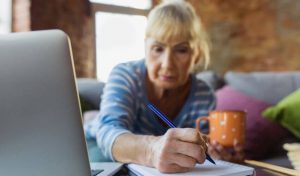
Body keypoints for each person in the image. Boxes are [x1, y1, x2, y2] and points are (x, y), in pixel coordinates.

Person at [85, 0, 243, 173]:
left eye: (181, 50)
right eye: (158, 49)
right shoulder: (126, 76)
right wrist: (151, 150)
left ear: (195, 54)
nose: (167, 64)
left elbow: (197, 155)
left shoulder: (203, 95)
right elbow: (108, 131)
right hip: (97, 145)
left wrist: (214, 155)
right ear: (145, 47)